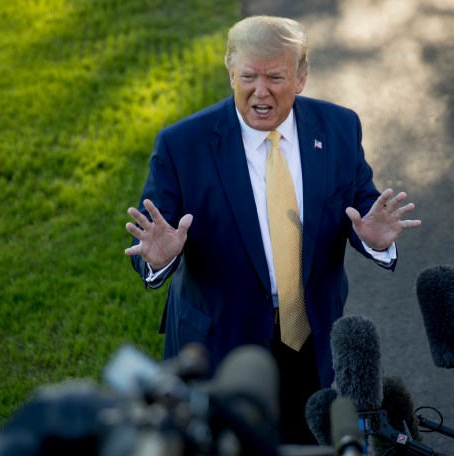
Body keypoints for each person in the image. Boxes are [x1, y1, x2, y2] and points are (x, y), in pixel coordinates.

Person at [124, 15, 421, 444]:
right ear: (231, 73)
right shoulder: (181, 145)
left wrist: (372, 241)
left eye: (275, 77)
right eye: (248, 76)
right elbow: (155, 234)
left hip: (311, 335)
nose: (260, 91)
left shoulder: (339, 128)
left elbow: (361, 207)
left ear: (301, 77)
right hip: (222, 342)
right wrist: (162, 256)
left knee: (310, 440)